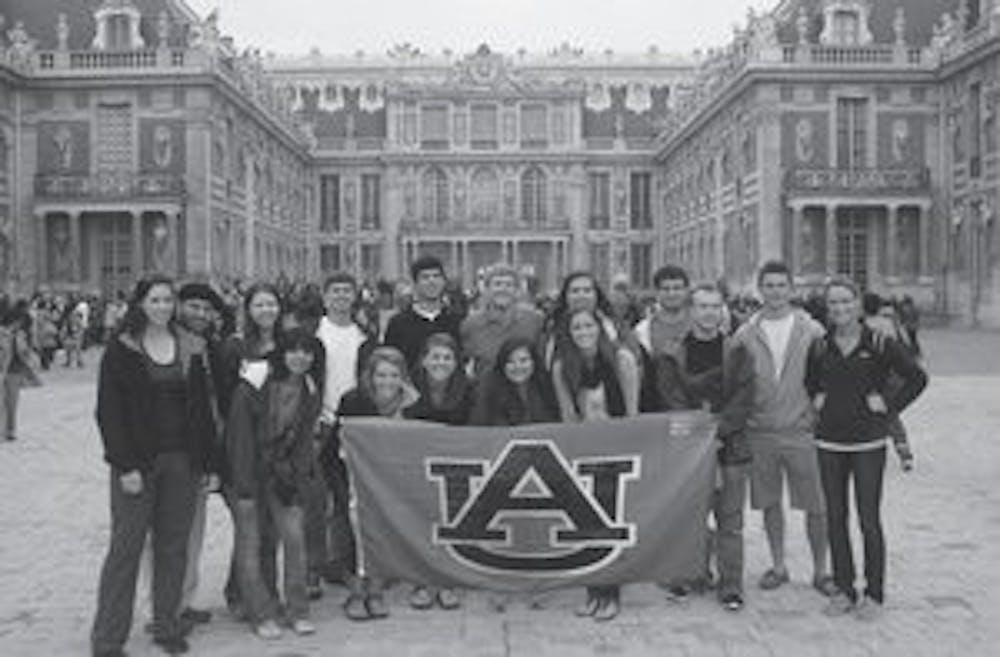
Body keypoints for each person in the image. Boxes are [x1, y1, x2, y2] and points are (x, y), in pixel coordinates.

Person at [91, 276, 218, 657]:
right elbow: (109, 413)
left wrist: (208, 462)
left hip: (182, 459)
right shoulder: (122, 349)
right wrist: (124, 464)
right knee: (126, 549)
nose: (162, 306)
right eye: (155, 300)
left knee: (173, 546)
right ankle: (108, 638)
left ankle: (167, 623)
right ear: (141, 303)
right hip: (139, 464)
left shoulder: (191, 346)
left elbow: (202, 411)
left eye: (168, 300)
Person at [807, 278, 927, 620]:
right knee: (835, 517)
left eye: (846, 302)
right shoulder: (819, 345)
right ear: (826, 309)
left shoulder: (879, 343)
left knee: (868, 519)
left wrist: (889, 405)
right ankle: (845, 589)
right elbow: (810, 380)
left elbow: (917, 378)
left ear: (858, 304)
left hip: (867, 444)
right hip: (828, 441)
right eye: (833, 303)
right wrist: (818, 397)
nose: (840, 309)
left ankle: (874, 594)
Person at [730, 261, 836, 597]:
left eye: (781, 285)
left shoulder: (814, 331)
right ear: (760, 290)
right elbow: (735, 383)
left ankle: (821, 569)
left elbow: (830, 376)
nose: (775, 292)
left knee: (816, 505)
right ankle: (778, 565)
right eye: (769, 286)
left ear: (791, 289)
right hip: (760, 432)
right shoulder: (744, 335)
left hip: (801, 431)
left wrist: (821, 406)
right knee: (770, 503)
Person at [226, 328, 325, 639]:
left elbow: (305, 440)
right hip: (249, 473)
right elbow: (238, 436)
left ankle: (297, 609)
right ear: (282, 352)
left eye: (307, 351)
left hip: (284, 476)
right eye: (294, 350)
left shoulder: (309, 388)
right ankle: (261, 612)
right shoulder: (256, 383)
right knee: (252, 545)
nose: (300, 357)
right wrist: (243, 485)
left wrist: (300, 478)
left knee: (295, 541)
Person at [551, 308, 639, 622]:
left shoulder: (622, 360)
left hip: (616, 450)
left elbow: (632, 412)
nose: (583, 331)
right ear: (569, 332)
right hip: (584, 450)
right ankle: (592, 591)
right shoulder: (563, 367)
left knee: (610, 524)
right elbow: (567, 415)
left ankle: (610, 593)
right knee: (587, 524)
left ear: (600, 329)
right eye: (576, 327)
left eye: (589, 325)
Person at [672, 283, 756, 611]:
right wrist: (700, 433)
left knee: (730, 520)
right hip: (691, 450)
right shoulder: (673, 351)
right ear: (691, 310)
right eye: (702, 306)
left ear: (722, 310)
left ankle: (731, 583)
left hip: (731, 446)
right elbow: (672, 397)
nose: (708, 312)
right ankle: (694, 572)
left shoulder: (737, 350)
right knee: (693, 516)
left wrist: (717, 431)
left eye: (714, 306)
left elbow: (745, 398)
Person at [217, 283, 285, 618]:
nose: (266, 311)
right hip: (242, 444)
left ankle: (257, 589)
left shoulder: (288, 346)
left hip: (276, 447)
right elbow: (224, 398)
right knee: (250, 525)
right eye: (259, 305)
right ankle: (245, 594)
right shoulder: (234, 347)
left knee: (268, 525)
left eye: (271, 304)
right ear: (248, 309)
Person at [337, 346, 419, 621]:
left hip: (394, 481)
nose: (387, 381)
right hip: (356, 477)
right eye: (381, 375)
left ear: (403, 377)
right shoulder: (353, 400)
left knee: (385, 533)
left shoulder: (413, 404)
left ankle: (376, 591)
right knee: (359, 533)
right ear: (369, 376)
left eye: (394, 375)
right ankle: (357, 593)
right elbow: (341, 444)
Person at [310, 273, 375, 597]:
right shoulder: (313, 332)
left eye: (346, 291)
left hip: (354, 423)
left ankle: (343, 563)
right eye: (334, 291)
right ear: (324, 297)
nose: (340, 297)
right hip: (320, 422)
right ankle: (314, 565)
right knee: (315, 498)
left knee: (348, 496)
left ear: (355, 297)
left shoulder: (365, 335)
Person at [402, 332, 474, 610]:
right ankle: (422, 581)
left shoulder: (469, 388)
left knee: (449, 526)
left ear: (457, 362)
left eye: (447, 357)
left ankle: (446, 581)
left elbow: (475, 428)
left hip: (455, 467)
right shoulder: (408, 387)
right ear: (423, 360)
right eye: (435, 357)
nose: (440, 362)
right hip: (417, 466)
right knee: (420, 524)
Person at [461, 265, 544, 379]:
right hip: (484, 391)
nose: (503, 289)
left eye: (509, 285)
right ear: (486, 290)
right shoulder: (471, 324)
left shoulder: (534, 320)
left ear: (517, 291)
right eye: (497, 284)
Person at [385, 255, 463, 372]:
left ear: (443, 282)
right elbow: (391, 363)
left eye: (436, 276)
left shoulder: (457, 321)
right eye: (425, 277)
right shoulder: (398, 323)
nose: (432, 281)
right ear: (415, 284)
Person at [634, 265, 692, 411]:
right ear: (656, 292)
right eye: (666, 289)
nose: (671, 293)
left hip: (696, 407)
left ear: (686, 291)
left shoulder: (701, 324)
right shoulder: (643, 330)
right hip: (659, 409)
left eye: (677, 288)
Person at [471, 336, 559, 427]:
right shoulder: (488, 392)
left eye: (523, 360)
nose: (518, 366)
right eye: (510, 362)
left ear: (534, 362)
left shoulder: (546, 387)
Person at [1, 301, 41, 442]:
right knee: (7, 401)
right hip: (7, 369)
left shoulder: (20, 335)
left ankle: (9, 430)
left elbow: (24, 352)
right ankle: (7, 430)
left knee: (11, 402)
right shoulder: (3, 333)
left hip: (13, 370)